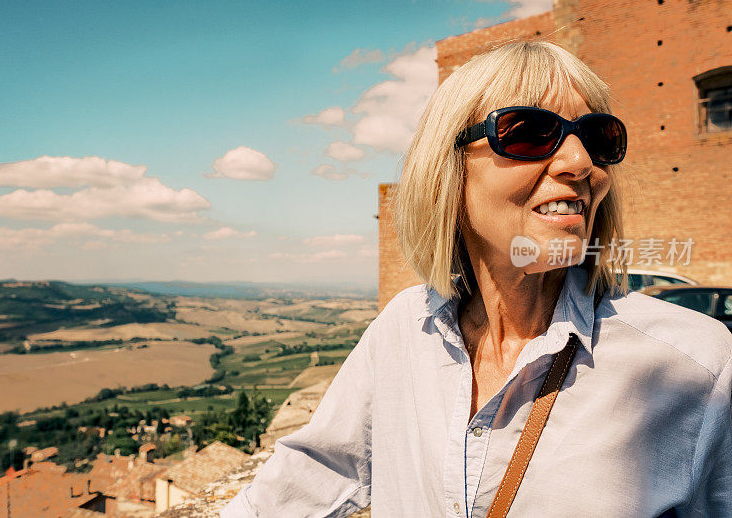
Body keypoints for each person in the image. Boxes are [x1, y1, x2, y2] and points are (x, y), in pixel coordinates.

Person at [220, 40, 732, 517]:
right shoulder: (404, 328)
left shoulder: (697, 364)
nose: (581, 163)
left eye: (598, 139)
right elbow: (317, 470)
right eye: (529, 133)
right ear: (449, 170)